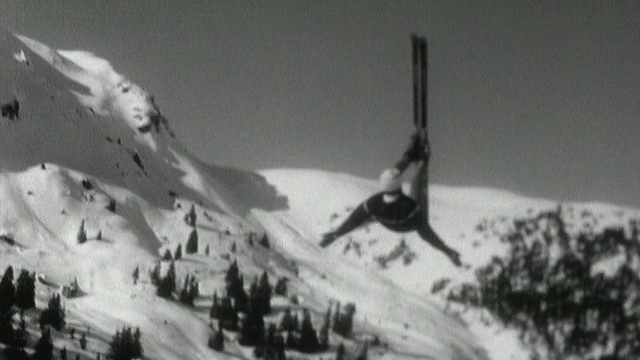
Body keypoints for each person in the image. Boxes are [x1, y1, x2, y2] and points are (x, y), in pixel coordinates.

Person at [320, 131, 462, 267]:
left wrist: (335, 234)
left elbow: (354, 220)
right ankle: (419, 159)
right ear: (400, 187)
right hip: (409, 222)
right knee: (417, 180)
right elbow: (427, 233)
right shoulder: (410, 206)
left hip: (387, 218)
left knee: (391, 175)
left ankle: (411, 155)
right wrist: (447, 251)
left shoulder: (374, 202)